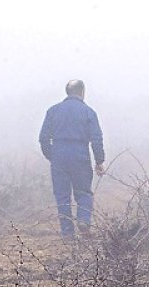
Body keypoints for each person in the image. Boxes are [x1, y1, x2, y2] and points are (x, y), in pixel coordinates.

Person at [39, 79, 106, 238]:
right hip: (80, 154)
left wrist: (53, 156)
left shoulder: (53, 111)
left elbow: (43, 138)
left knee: (62, 196)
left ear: (67, 92)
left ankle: (67, 234)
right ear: (82, 92)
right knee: (83, 192)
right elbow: (96, 138)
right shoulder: (89, 112)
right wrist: (99, 161)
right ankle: (83, 220)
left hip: (59, 154)